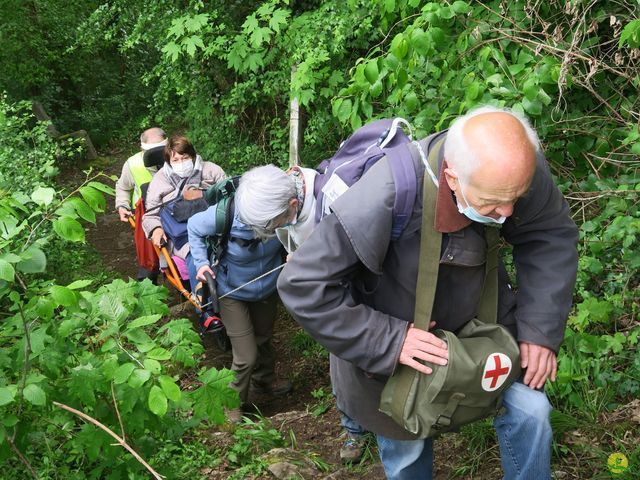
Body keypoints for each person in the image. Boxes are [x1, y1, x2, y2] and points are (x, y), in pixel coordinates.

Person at [277, 106, 579, 479]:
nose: (508, 212)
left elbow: (547, 236)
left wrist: (540, 330)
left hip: (484, 333)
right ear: (452, 177)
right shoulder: (386, 192)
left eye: (516, 197)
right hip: (394, 349)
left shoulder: (513, 171)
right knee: (407, 454)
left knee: (532, 412)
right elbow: (302, 285)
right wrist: (389, 341)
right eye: (493, 202)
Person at [235, 164, 368, 462]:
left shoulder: (334, 198)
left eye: (274, 224)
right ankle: (355, 429)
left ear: (292, 205)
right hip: (337, 299)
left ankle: (375, 430)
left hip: (363, 294)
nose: (273, 230)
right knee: (342, 366)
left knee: (360, 362)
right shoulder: (287, 195)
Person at [186, 166, 295, 424]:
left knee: (264, 337)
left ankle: (265, 381)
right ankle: (233, 404)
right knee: (245, 354)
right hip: (230, 290)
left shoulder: (283, 212)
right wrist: (201, 263)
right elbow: (194, 226)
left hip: (267, 285)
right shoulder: (226, 214)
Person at [141, 135, 226, 261]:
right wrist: (156, 229)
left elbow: (229, 197)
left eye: (185, 158)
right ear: (169, 162)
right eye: (175, 160)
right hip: (184, 236)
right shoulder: (160, 179)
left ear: (193, 156)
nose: (181, 163)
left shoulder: (212, 170)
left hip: (217, 227)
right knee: (197, 259)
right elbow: (150, 215)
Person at [115, 127, 167, 281]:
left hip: (175, 210)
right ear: (142, 149)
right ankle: (148, 286)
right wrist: (122, 205)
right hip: (145, 215)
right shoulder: (133, 164)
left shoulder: (179, 157)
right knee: (149, 259)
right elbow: (123, 187)